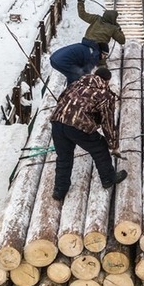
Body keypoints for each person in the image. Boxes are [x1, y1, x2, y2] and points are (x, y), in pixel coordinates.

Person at [49, 68, 127, 201]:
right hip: (77, 124)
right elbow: (108, 123)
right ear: (106, 81)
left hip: (57, 121)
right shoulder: (104, 95)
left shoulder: (75, 84)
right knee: (100, 148)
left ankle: (59, 190)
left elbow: (62, 98)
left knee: (63, 157)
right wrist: (113, 145)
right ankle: (108, 178)